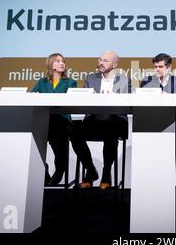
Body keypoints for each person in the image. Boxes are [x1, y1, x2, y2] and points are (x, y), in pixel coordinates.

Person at [71, 51, 131, 189]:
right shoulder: (91, 78)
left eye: (105, 60)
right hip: (94, 120)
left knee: (111, 125)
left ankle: (106, 172)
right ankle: (90, 170)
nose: (100, 62)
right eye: (100, 59)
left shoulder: (123, 80)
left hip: (114, 121)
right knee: (74, 132)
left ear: (114, 64)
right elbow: (84, 99)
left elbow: (125, 103)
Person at [140, 53, 176, 188]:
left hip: (173, 123)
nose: (157, 70)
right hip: (152, 125)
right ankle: (151, 186)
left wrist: (169, 98)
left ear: (169, 67)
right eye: (155, 67)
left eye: (160, 66)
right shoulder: (147, 81)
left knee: (169, 162)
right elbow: (141, 103)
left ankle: (171, 186)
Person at [32, 53, 77, 186]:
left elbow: (67, 102)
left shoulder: (70, 82)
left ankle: (59, 171)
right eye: (58, 61)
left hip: (62, 121)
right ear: (51, 64)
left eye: (63, 61)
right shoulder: (42, 82)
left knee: (56, 126)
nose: (62, 63)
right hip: (45, 121)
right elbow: (32, 97)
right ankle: (43, 169)